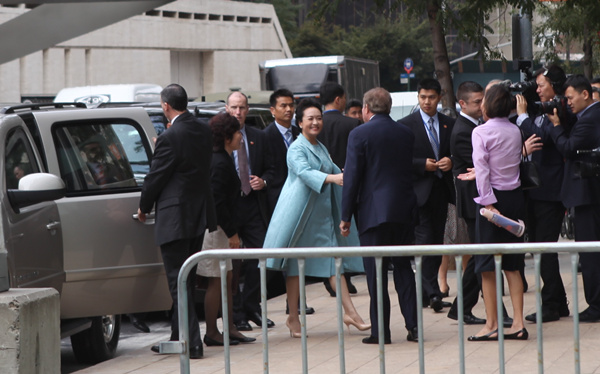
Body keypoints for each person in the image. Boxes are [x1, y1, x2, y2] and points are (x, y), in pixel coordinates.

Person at [264, 98, 369, 338]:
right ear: (299, 123)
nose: (315, 122)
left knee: (334, 263)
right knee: (294, 267)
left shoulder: (319, 145)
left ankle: (351, 313)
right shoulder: (296, 147)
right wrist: (333, 178)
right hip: (300, 216)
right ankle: (293, 317)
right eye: (310, 118)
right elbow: (303, 172)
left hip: (320, 217)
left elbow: (333, 169)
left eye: (318, 118)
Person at [138, 84, 217, 359]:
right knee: (187, 278)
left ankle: (193, 344)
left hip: (175, 217)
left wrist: (143, 207)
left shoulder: (170, 137)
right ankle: (175, 336)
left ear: (165, 106)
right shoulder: (202, 129)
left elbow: (155, 177)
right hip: (198, 215)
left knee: (178, 283)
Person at [341, 87, 419, 345]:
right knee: (404, 270)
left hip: (373, 212)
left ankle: (381, 332)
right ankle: (413, 326)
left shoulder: (358, 134)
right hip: (403, 210)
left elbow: (352, 177)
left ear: (365, 109)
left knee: (376, 274)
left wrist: (345, 215)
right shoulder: (405, 133)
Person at [467, 84, 527, 341]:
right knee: (513, 265)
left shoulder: (480, 131)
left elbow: (482, 169)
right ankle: (519, 322)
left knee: (486, 265)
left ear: (488, 105)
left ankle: (491, 323)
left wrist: (488, 203)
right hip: (515, 198)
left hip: (492, 199)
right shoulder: (515, 130)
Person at [515, 65, 573, 323]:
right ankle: (558, 302)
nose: (537, 89)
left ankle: (550, 304)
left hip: (551, 191)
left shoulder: (558, 108)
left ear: (554, 85)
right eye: (536, 85)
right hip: (537, 190)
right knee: (539, 247)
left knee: (544, 248)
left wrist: (522, 118)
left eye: (542, 84)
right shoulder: (541, 107)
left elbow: (543, 137)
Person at [198, 112, 256, 347]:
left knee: (228, 278)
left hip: (223, 228)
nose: (240, 138)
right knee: (216, 280)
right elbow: (217, 203)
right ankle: (212, 331)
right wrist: (232, 232)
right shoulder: (218, 162)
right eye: (236, 134)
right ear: (226, 136)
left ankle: (230, 327)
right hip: (216, 230)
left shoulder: (221, 157)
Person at [398, 78, 455, 313]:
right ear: (417, 97)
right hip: (418, 192)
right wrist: (423, 165)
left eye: (431, 97)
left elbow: (457, 152)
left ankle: (426, 292)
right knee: (423, 240)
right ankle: (432, 292)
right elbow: (399, 160)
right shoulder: (406, 125)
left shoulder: (449, 124)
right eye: (423, 97)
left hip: (441, 191)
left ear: (439, 98)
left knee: (436, 241)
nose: (427, 102)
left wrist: (450, 161)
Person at [548, 74, 600, 323]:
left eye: (570, 98)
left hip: (588, 195)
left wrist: (556, 126)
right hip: (589, 194)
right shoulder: (588, 116)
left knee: (590, 254)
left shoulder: (590, 119)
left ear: (585, 94)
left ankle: (596, 305)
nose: (567, 103)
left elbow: (569, 147)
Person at [226, 91, 276, 332]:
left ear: (248, 109)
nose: (238, 112)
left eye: (242, 107)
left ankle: (251, 305)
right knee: (234, 262)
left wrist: (263, 181)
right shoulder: (219, 137)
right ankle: (236, 314)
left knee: (261, 255)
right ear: (227, 109)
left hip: (253, 203)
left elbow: (273, 169)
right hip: (230, 205)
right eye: (234, 107)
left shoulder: (258, 136)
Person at [263, 89, 315, 316]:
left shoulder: (300, 132)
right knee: (281, 254)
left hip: (301, 201)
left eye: (291, 105)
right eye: (283, 106)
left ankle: (296, 303)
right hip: (277, 201)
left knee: (297, 253)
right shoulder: (265, 136)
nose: (288, 110)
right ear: (272, 110)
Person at [446, 81, 486, 325]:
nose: (482, 105)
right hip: (473, 201)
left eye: (483, 100)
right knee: (482, 256)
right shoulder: (463, 130)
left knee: (481, 256)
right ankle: (493, 312)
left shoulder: (475, 126)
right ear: (462, 104)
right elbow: (480, 163)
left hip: (479, 199)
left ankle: (461, 307)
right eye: (477, 102)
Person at [317, 82, 361, 297]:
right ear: (338, 99)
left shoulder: (315, 125)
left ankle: (330, 275)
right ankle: (345, 276)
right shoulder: (352, 124)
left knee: (326, 231)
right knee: (346, 230)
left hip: (321, 183)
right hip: (346, 183)